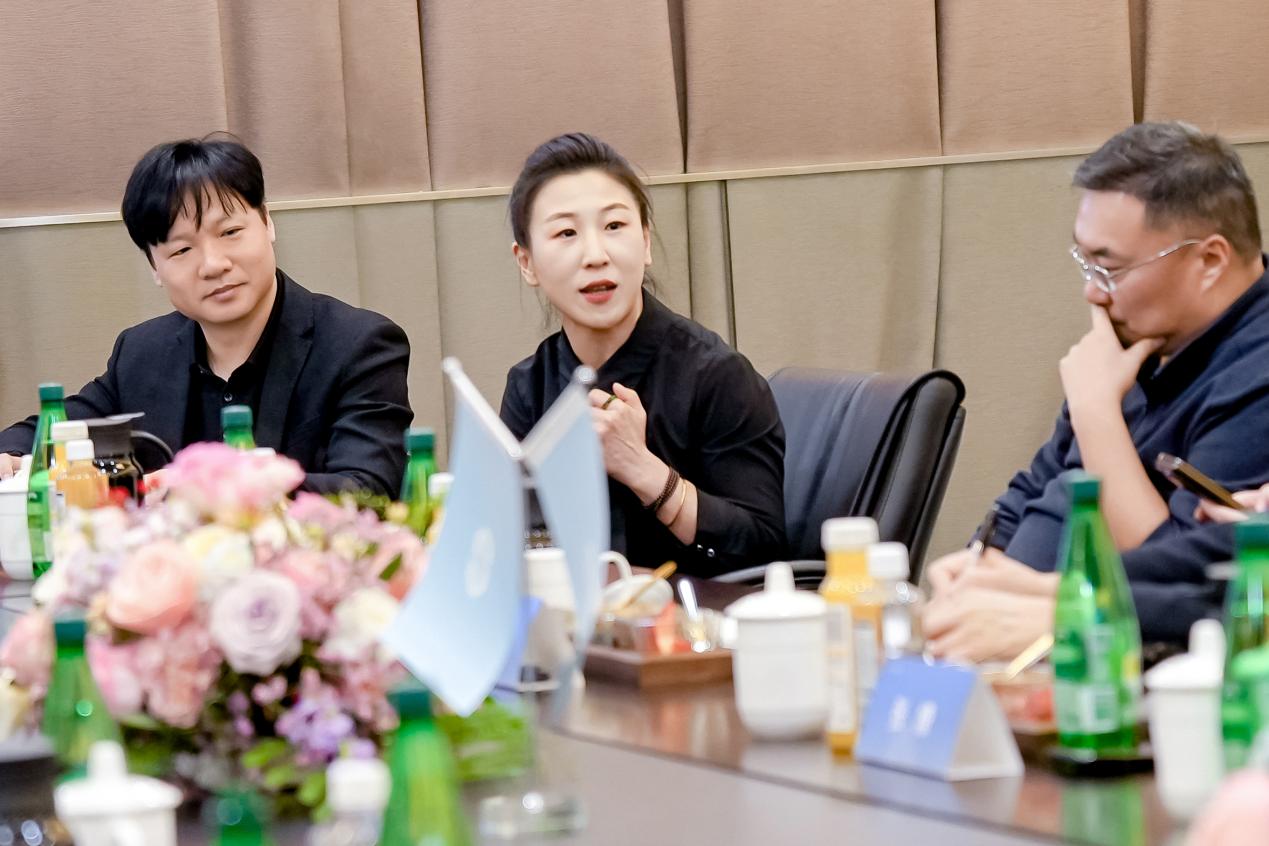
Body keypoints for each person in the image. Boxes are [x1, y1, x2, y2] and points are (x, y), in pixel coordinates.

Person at [923, 122, 1269, 661]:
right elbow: (1031, 491)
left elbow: (1195, 573)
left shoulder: (1255, 371)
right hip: (1023, 646)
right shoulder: (1139, 340)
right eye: (1085, 263)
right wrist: (978, 568)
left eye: (1110, 268)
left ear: (1209, 260)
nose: (1092, 292)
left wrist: (1096, 413)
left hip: (1119, 659)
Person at [0, 138, 412, 495]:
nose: (213, 264)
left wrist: (206, 489)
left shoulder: (358, 344)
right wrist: (10, 451)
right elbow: (54, 429)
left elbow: (368, 489)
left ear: (267, 222)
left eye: (230, 232)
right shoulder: (142, 352)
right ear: (155, 268)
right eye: (182, 250)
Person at [499, 133, 786, 577]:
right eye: (566, 233)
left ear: (646, 242)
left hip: (691, 615)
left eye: (614, 226)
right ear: (527, 263)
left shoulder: (716, 375)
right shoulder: (529, 386)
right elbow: (514, 542)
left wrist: (641, 468)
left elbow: (763, 547)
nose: (596, 255)